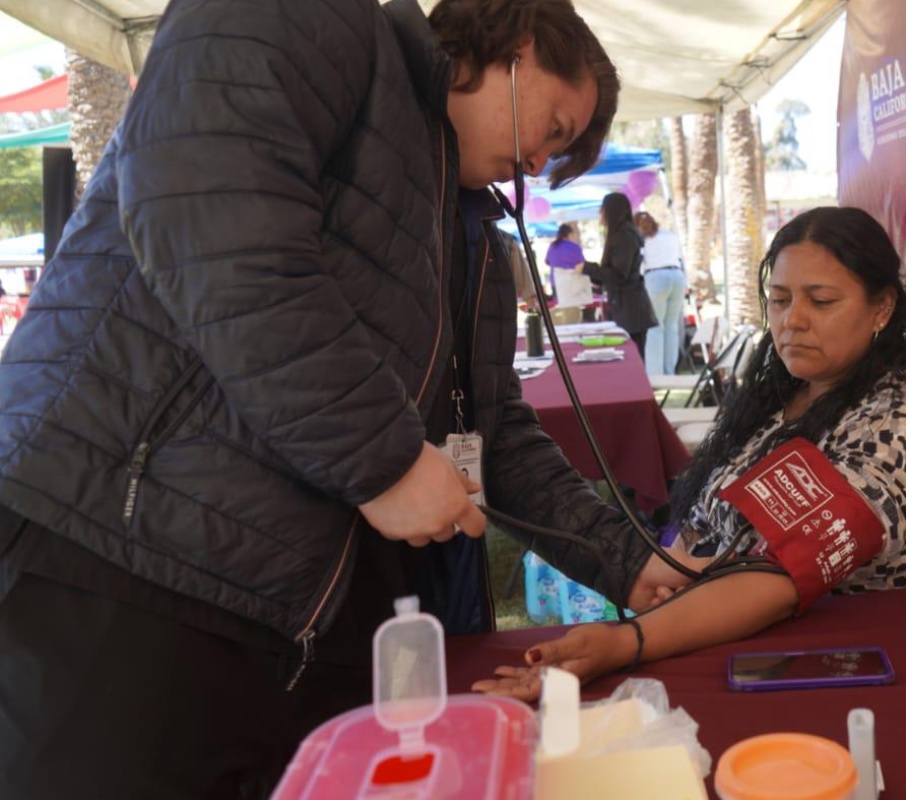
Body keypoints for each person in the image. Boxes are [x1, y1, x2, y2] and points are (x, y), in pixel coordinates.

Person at [0, 0, 691, 796]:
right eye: (557, 129)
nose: (539, 165)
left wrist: (628, 561)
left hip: (306, 626)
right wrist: (387, 461)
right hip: (129, 568)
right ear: (523, 43)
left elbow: (491, 432)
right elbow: (212, 215)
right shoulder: (321, 22)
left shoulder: (474, 243)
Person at [474, 206, 906, 700]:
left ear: (882, 308)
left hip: (824, 672)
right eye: (779, 299)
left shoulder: (900, 428)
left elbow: (778, 574)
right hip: (717, 639)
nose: (793, 320)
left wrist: (626, 640)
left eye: (821, 301)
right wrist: (667, 581)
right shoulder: (784, 394)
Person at [581, 192, 658, 357]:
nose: (600, 214)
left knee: (633, 358)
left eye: (602, 210)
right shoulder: (621, 234)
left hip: (631, 310)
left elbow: (619, 274)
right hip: (625, 307)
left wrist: (588, 269)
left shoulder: (624, 235)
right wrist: (595, 277)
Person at [635, 211, 687, 376]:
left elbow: (639, 265)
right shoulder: (669, 235)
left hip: (656, 277)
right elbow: (679, 257)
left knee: (655, 328)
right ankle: (669, 372)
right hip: (677, 276)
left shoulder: (643, 239)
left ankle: (655, 374)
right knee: (671, 327)